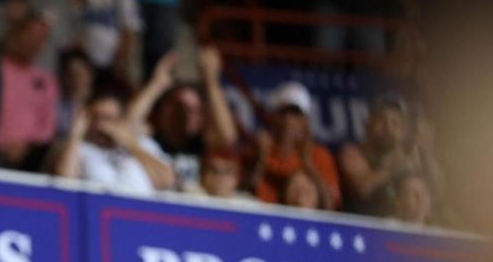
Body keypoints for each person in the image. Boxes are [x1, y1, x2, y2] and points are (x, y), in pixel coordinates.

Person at [127, 45, 238, 192]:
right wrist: (156, 85)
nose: (188, 115)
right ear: (164, 110)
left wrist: (211, 82)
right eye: (181, 108)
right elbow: (127, 126)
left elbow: (228, 137)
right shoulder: (151, 138)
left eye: (196, 110)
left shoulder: (201, 145)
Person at [52, 88, 175, 196]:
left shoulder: (143, 144)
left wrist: (130, 144)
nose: (101, 125)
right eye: (96, 118)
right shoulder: (80, 150)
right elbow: (65, 183)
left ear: (121, 120)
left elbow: (167, 181)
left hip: (142, 217)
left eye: (109, 119)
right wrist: (75, 136)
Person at [338, 92, 444, 217]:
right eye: (381, 121)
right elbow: (362, 188)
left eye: (395, 122)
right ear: (368, 125)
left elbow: (438, 190)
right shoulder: (353, 152)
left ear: (404, 131)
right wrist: (395, 168)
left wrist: (427, 153)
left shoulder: (412, 156)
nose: (388, 127)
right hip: (364, 228)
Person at [251, 81, 340, 209]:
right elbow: (247, 197)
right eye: (283, 112)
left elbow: (330, 206)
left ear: (306, 120)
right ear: (272, 117)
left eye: (295, 113)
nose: (288, 120)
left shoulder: (319, 155)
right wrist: (261, 159)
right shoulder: (259, 148)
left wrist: (309, 167)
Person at [0, 9, 59, 171]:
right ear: (17, 33)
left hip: (29, 162)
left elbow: (47, 128)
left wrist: (25, 147)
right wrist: (2, 143)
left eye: (41, 38)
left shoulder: (46, 80)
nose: (34, 42)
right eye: (31, 34)